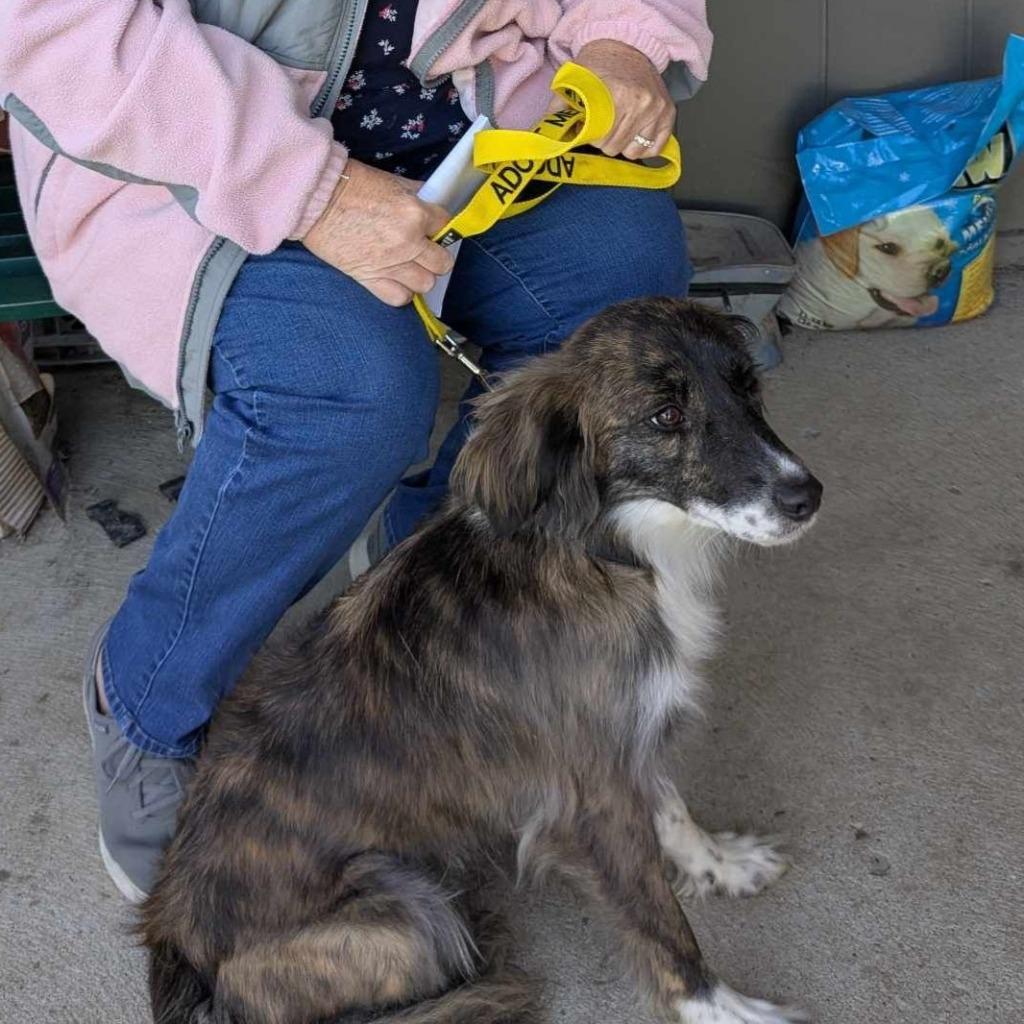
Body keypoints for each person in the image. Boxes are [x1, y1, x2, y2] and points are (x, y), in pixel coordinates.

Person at [0, 0, 712, 901]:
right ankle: (146, 700)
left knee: (615, 294)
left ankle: (424, 589)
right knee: (350, 393)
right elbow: (54, 29)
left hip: (473, 130)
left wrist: (625, 40)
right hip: (186, 156)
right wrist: (316, 191)